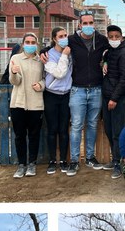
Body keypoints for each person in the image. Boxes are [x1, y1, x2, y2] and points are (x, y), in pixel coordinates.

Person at [64, 10, 109, 176]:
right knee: (76, 125)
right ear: (79, 25)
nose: (88, 26)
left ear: (94, 25)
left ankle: (90, 157)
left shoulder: (102, 40)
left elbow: (118, 46)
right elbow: (53, 45)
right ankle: (75, 160)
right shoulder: (71, 40)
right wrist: (43, 52)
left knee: (92, 124)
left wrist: (105, 61)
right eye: (85, 23)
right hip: (77, 90)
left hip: (97, 89)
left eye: (91, 23)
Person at [9, 32, 45, 178]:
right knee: (19, 135)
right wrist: (13, 72)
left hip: (36, 104)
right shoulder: (15, 58)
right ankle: (21, 164)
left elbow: (46, 79)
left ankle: (32, 164)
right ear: (23, 44)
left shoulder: (41, 60)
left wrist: (41, 85)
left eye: (33, 42)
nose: (30, 45)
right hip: (18, 103)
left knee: (34, 135)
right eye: (27, 42)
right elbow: (15, 82)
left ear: (36, 44)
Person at [101, 25, 125, 179]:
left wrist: (114, 98)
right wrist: (104, 61)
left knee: (118, 132)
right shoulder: (109, 51)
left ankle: (118, 163)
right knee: (108, 129)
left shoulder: (124, 52)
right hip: (106, 96)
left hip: (117, 99)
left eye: (116, 37)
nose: (114, 39)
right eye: (111, 37)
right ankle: (115, 160)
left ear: (121, 37)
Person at [44, 27, 72, 175]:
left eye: (66, 35)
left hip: (66, 94)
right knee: (52, 129)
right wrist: (64, 56)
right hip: (51, 95)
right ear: (54, 38)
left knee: (63, 129)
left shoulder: (70, 52)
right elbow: (59, 73)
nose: (64, 38)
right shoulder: (48, 55)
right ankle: (52, 160)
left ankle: (63, 161)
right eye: (60, 36)